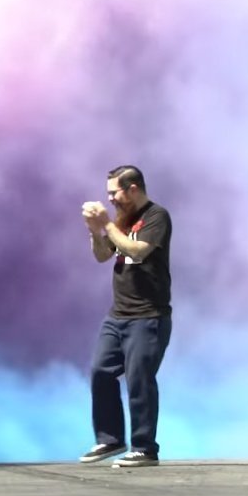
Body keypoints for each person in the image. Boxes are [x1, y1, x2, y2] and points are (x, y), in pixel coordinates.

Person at [79, 165, 172, 468]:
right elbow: (102, 255)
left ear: (133, 189)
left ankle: (144, 448)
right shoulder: (121, 219)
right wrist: (95, 230)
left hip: (148, 315)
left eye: (114, 193)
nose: (110, 199)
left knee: (139, 379)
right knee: (100, 372)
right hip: (118, 314)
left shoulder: (156, 216)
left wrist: (107, 224)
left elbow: (137, 250)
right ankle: (110, 439)